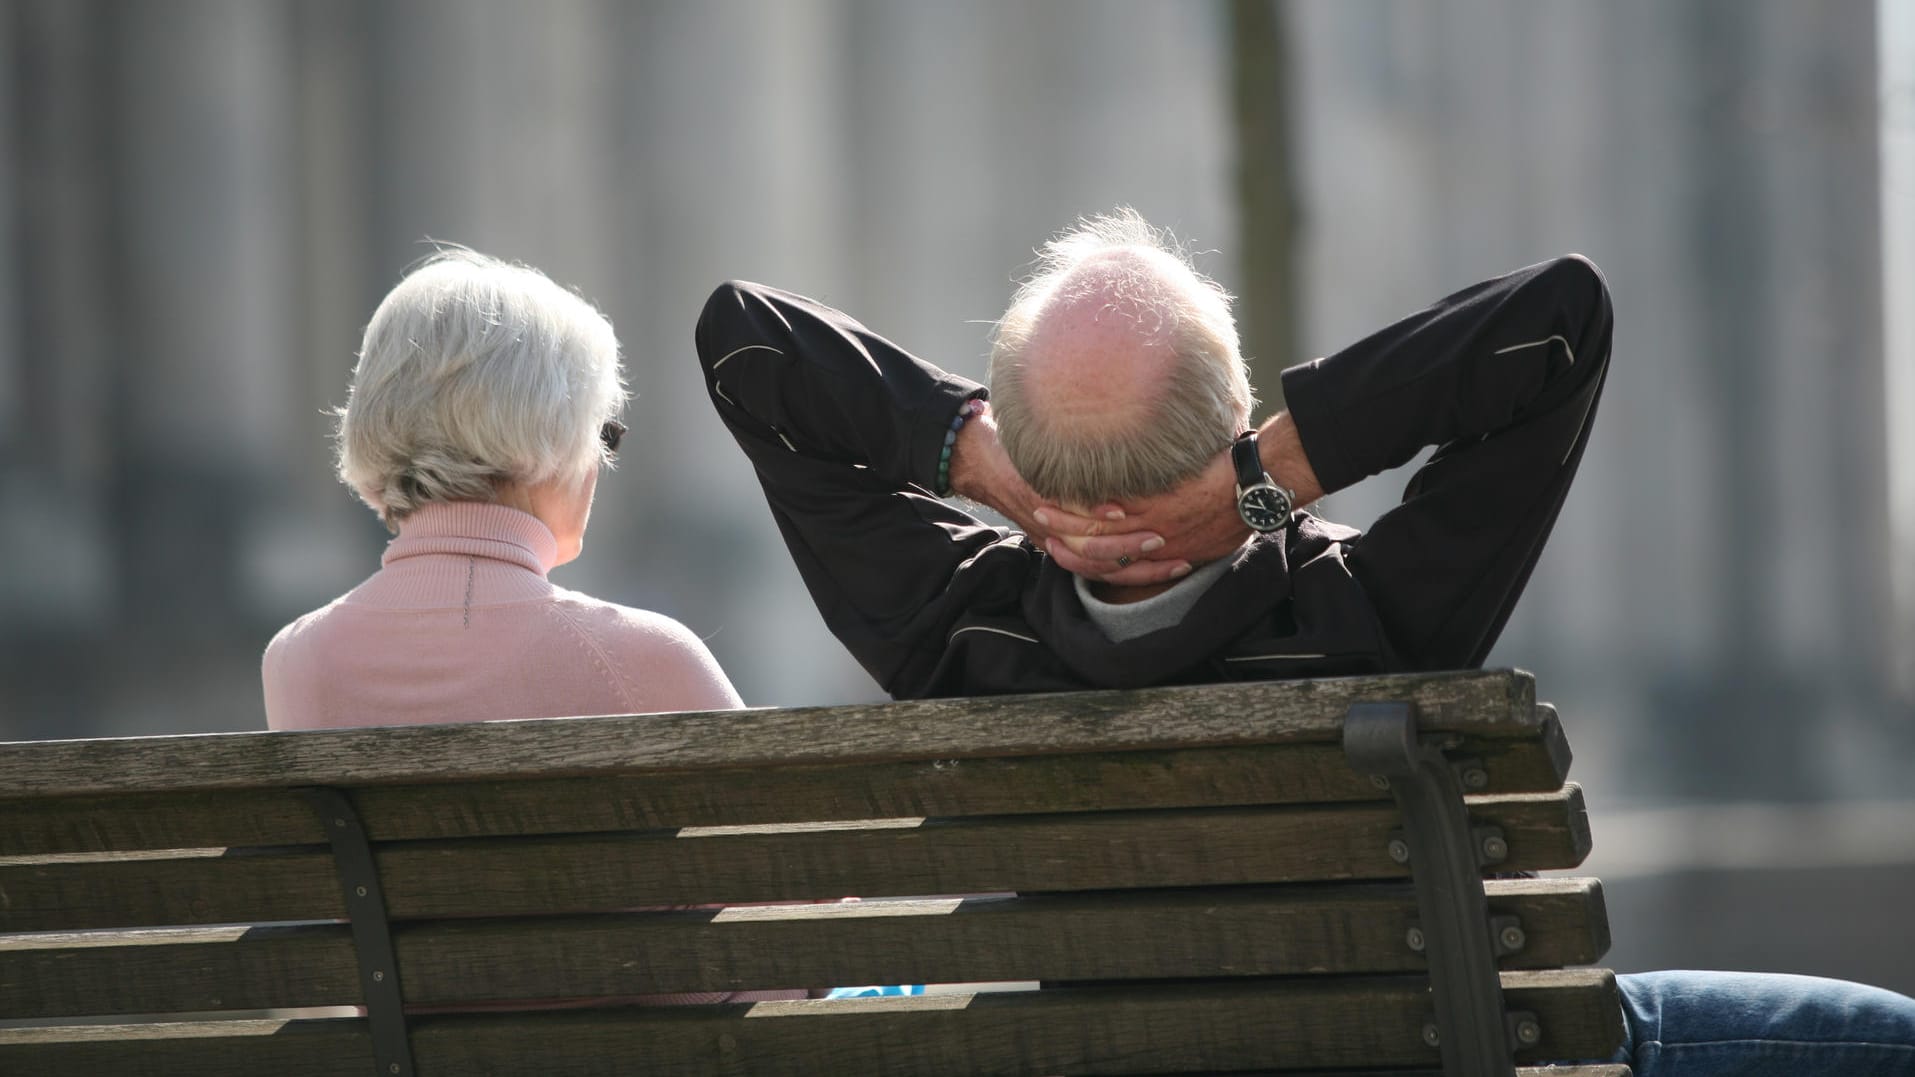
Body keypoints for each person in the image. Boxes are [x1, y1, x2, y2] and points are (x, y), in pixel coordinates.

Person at [694, 209, 1915, 1074]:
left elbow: (747, 345)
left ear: (1021, 443)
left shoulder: (955, 634)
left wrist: (984, 469)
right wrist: (1267, 481)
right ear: (1233, 419)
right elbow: (1558, 324)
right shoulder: (1365, 615)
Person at [265, 248, 788, 1006]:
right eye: (601, 434)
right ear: (547, 437)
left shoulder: (296, 662)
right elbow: (792, 922)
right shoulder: (642, 660)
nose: (601, 465)